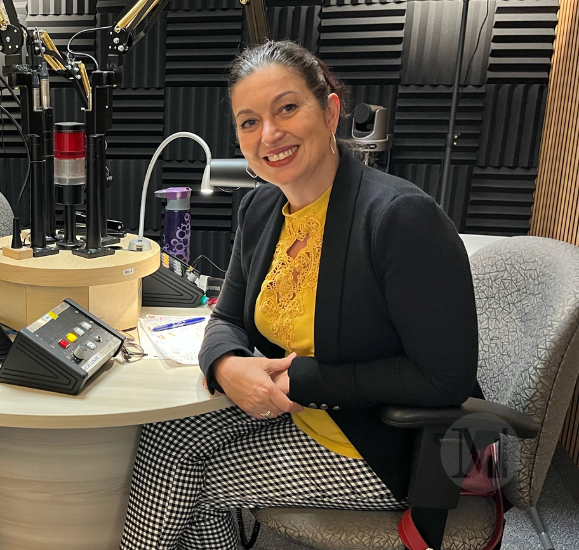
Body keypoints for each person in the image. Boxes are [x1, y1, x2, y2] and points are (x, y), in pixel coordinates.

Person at [120, 40, 479, 549]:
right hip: (295, 415)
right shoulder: (262, 208)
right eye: (249, 121)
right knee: (163, 438)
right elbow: (225, 317)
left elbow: (445, 378)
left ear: (330, 111)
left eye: (287, 108)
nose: (269, 134)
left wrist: (300, 378)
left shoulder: (399, 218)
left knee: (187, 483)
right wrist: (224, 364)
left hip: (373, 441)